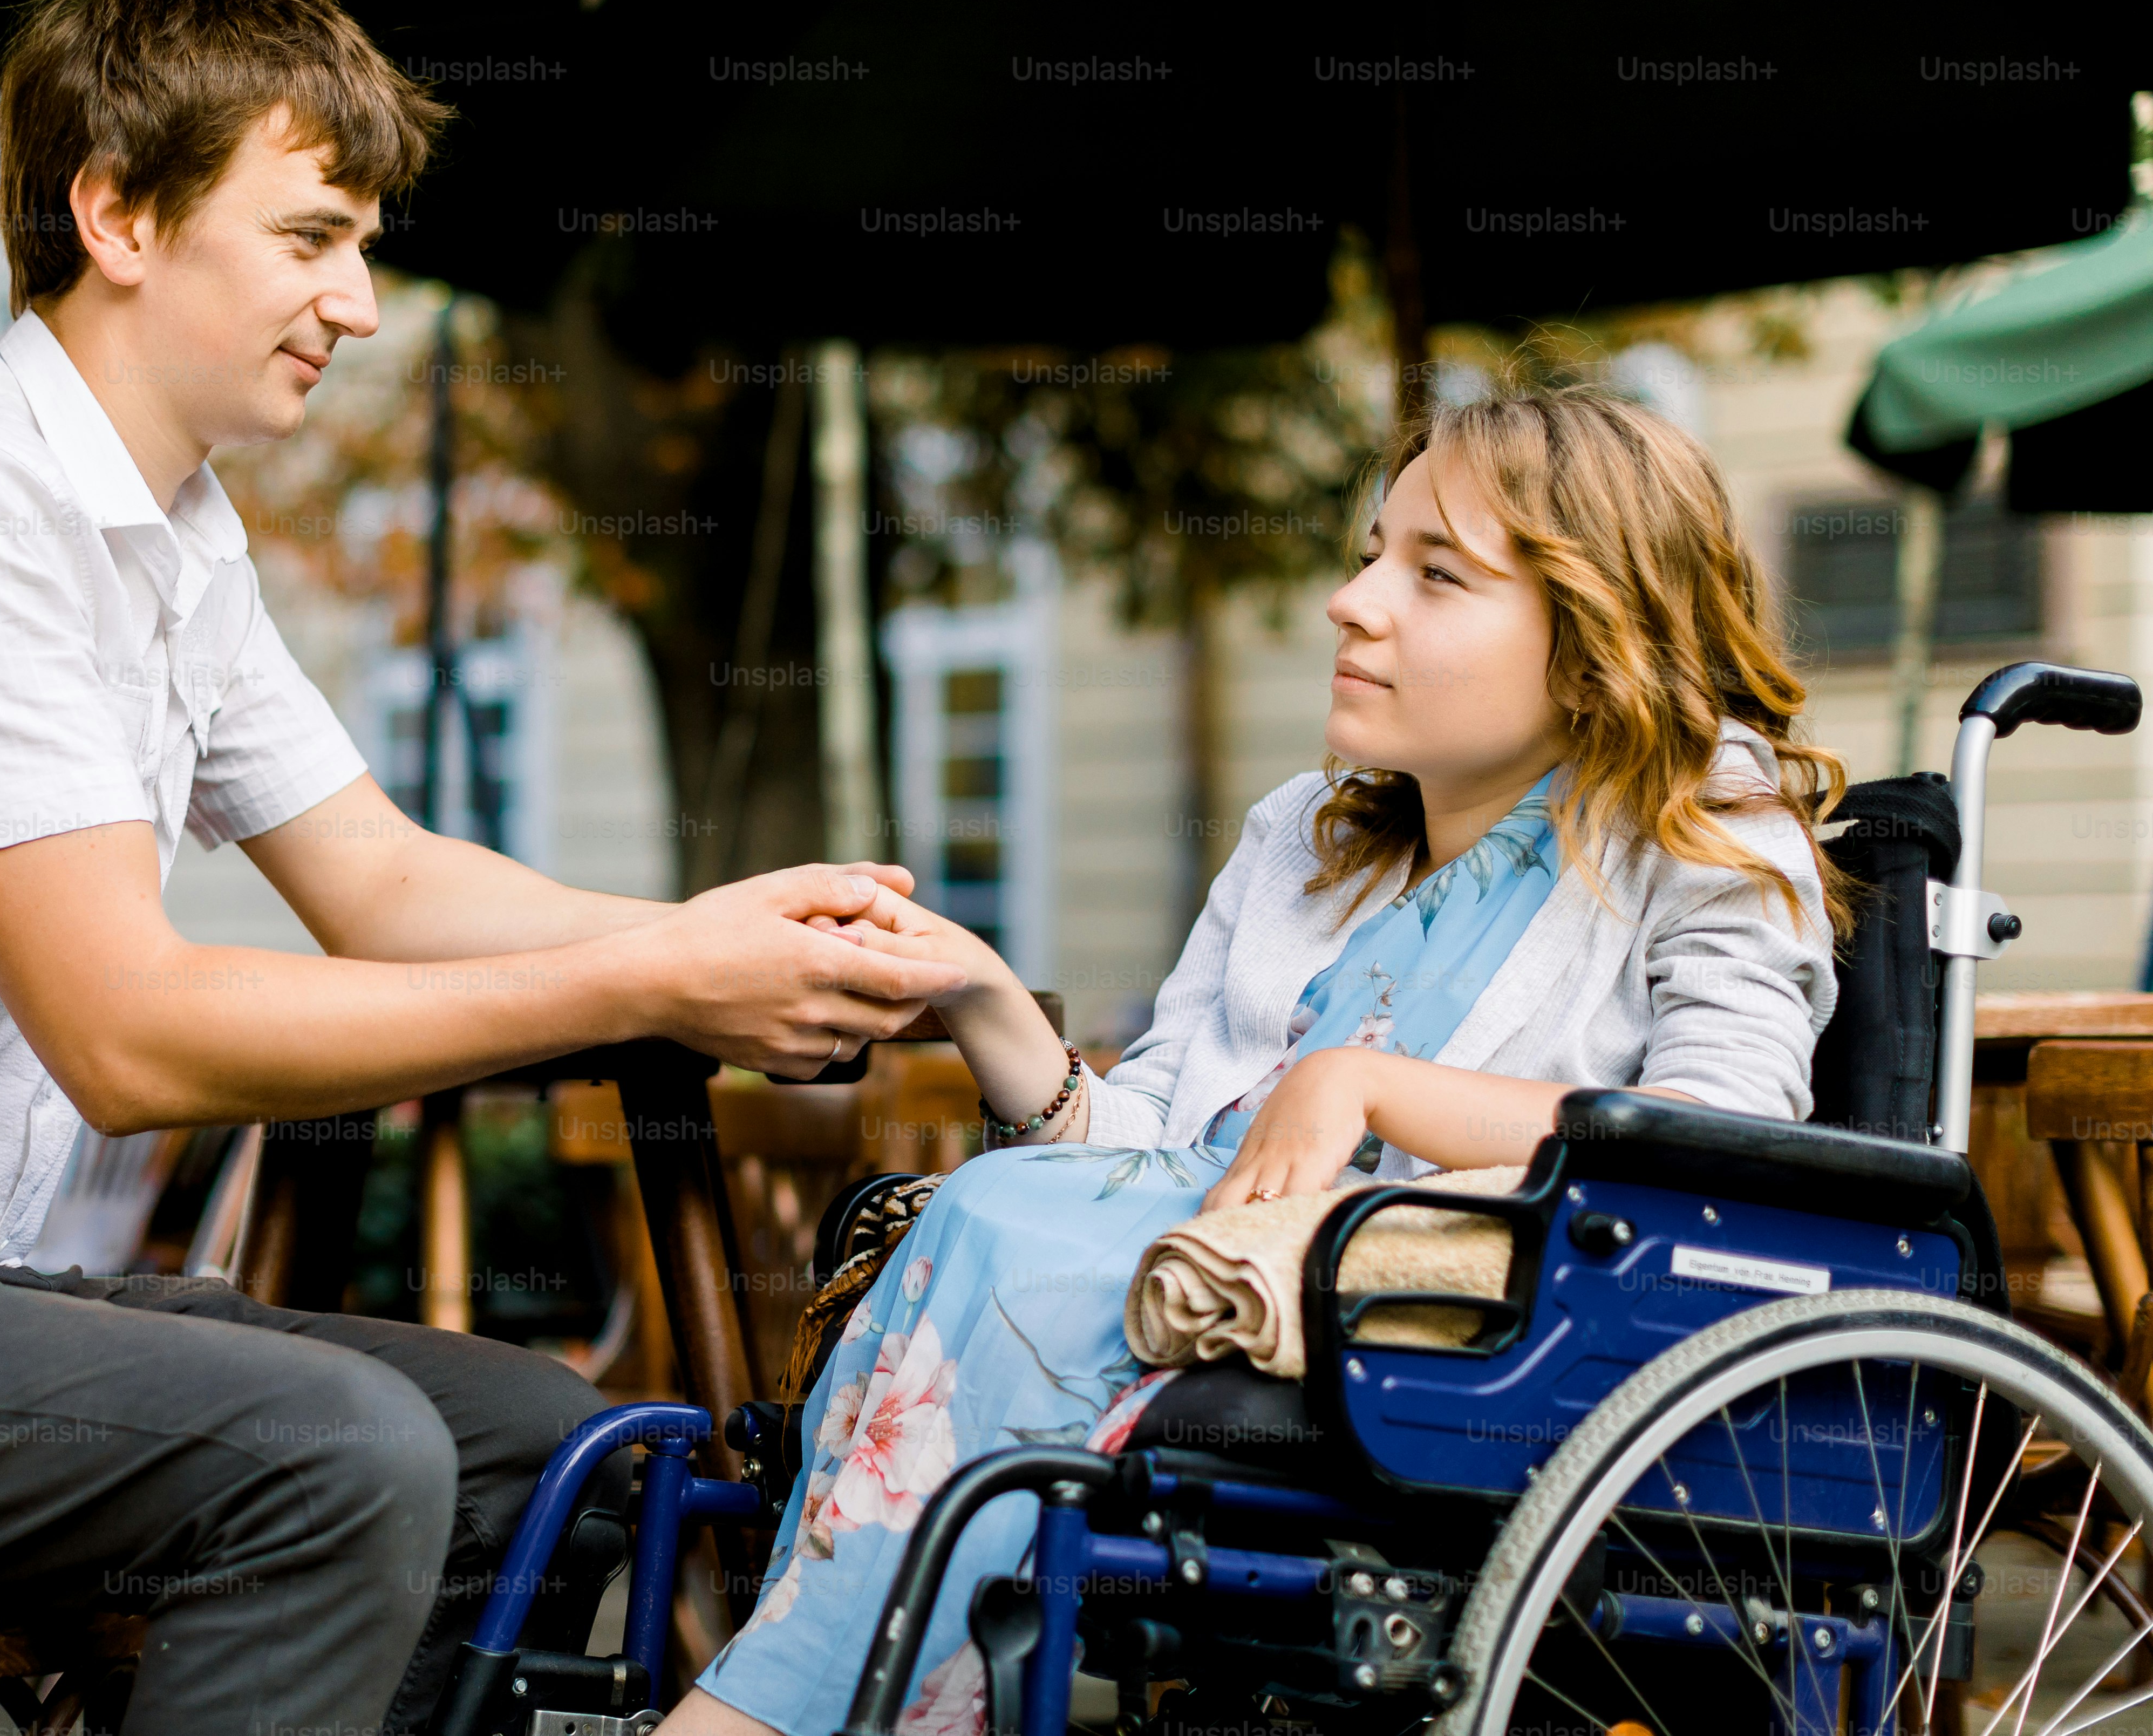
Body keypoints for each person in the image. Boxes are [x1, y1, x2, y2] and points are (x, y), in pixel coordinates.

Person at [0, 0, 962, 1736]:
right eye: (312, 236)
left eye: (365, 244)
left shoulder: (178, 540)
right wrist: (654, 976)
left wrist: (722, 936)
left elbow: (382, 884)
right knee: (342, 1454)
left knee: (548, 1452)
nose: (361, 303)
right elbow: (129, 1033)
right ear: (119, 215)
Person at [670, 384, 1854, 1735]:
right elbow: (1154, 1153)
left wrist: (1368, 1082)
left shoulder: (1704, 834)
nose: (1353, 603)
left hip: (1468, 1350)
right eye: (1369, 555)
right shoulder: (1304, 838)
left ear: (1594, 643)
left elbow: (1720, 1149)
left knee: (997, 1222)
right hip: (1204, 1280)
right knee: (981, 1208)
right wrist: (985, 996)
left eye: (1436, 574)